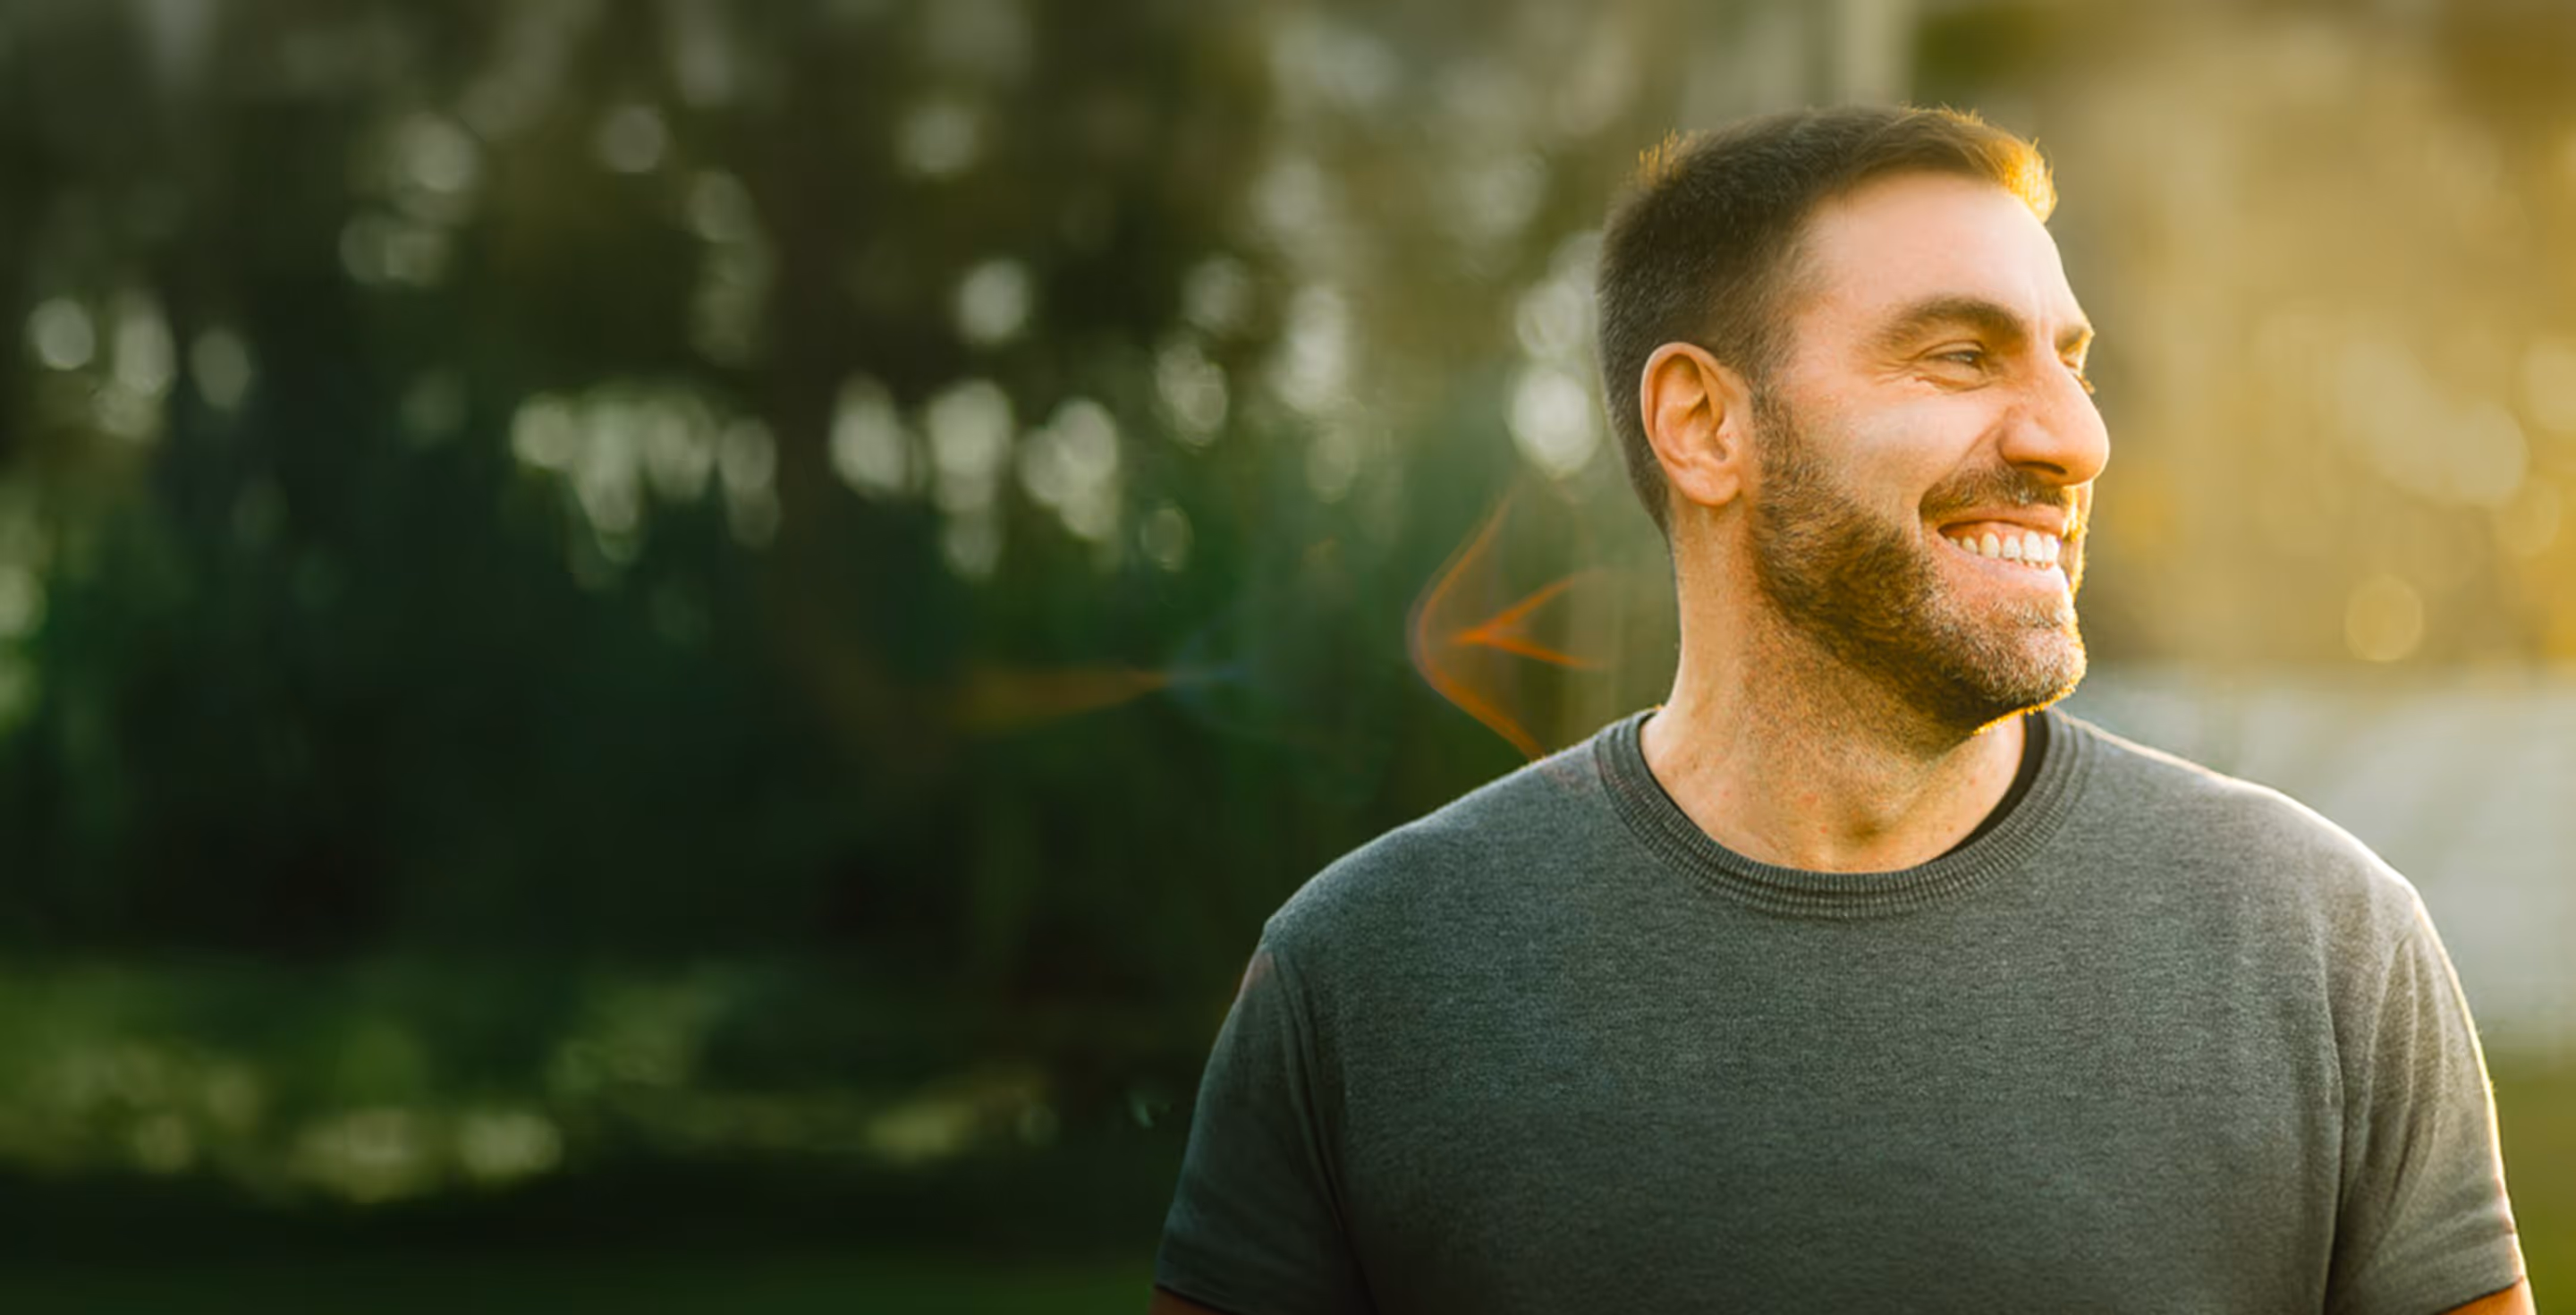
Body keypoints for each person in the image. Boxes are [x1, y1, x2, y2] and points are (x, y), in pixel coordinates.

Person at [1148, 105, 2529, 1314]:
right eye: (1961, 356)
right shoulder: (1366, 977)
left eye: (2071, 359)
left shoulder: (2324, 946)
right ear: (1702, 424)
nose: (2074, 436)